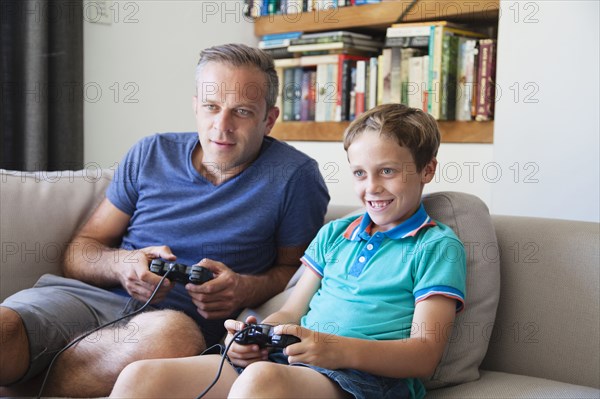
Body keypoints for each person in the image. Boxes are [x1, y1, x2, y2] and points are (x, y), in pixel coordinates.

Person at [0, 43, 329, 397]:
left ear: (269, 119)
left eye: (242, 112)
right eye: (211, 107)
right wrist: (122, 264)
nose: (222, 126)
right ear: (195, 106)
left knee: (173, 336)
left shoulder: (295, 177)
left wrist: (243, 288)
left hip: (168, 325)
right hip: (83, 301)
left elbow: (297, 273)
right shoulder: (151, 152)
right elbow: (79, 252)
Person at [108, 103, 467, 399]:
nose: (372, 187)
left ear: (427, 169)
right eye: (360, 173)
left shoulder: (436, 246)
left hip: (366, 380)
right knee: (140, 377)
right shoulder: (335, 235)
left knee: (260, 382)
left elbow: (424, 355)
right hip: (292, 363)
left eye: (387, 171)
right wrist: (255, 335)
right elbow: (291, 311)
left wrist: (337, 349)